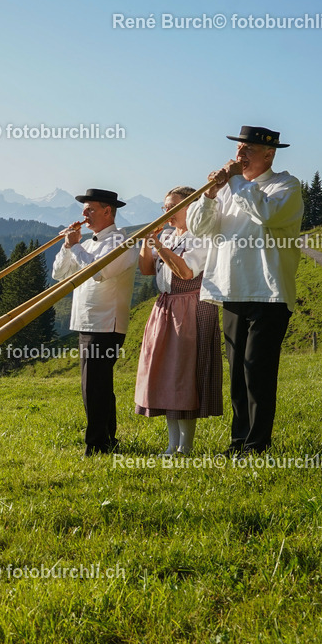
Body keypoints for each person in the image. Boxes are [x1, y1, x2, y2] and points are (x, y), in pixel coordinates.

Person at [186, 125, 303, 457]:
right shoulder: (225, 189)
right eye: (239, 147)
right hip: (231, 289)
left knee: (257, 370)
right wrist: (210, 193)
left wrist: (235, 180)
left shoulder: (286, 185)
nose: (240, 154)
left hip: (269, 293)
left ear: (269, 154)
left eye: (248, 149)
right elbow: (198, 227)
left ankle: (257, 444)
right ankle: (239, 441)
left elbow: (265, 213)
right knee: (238, 371)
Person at [134, 186, 223, 456]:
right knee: (166, 374)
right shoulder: (172, 235)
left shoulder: (200, 237)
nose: (166, 213)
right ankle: (172, 444)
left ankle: (186, 445)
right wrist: (147, 245)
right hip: (167, 305)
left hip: (190, 307)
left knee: (184, 375)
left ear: (191, 207)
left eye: (172, 207)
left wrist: (159, 246)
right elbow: (148, 270)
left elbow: (185, 272)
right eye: (165, 208)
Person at [52, 189, 137, 455]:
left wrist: (76, 246)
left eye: (89, 209)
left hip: (106, 323)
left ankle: (97, 445)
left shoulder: (122, 243)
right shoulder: (88, 244)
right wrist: (68, 246)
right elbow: (58, 274)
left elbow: (99, 272)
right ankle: (106, 440)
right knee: (98, 385)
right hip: (87, 322)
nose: (83, 215)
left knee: (94, 386)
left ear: (107, 211)